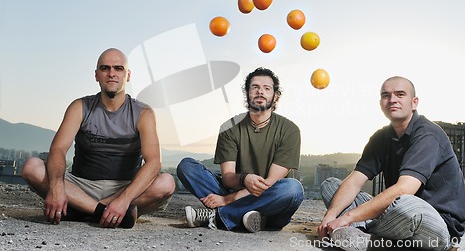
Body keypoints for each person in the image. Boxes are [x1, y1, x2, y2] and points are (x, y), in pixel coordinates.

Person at [22, 48, 176, 228]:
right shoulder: (79, 107)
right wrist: (57, 188)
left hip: (123, 187)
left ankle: (83, 210)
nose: (111, 74)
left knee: (166, 183)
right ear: (96, 75)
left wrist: (124, 199)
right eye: (105, 68)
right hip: (80, 186)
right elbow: (58, 149)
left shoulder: (143, 113)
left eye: (118, 68)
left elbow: (154, 162)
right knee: (32, 167)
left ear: (128, 75)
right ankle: (105, 213)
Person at [317, 76, 465, 251]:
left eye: (400, 94)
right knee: (332, 186)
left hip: (435, 223)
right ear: (380, 103)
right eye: (386, 95)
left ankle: (366, 235)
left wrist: (349, 217)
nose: (392, 100)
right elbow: (355, 181)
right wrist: (331, 215)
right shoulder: (381, 137)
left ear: (414, 102)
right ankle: (377, 240)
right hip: (394, 216)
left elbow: (404, 189)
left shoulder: (428, 134)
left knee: (406, 204)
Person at [176, 67, 304, 232]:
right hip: (234, 189)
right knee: (187, 166)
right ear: (247, 93)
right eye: (255, 87)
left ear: (275, 96)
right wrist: (244, 179)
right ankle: (247, 217)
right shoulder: (229, 128)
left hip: (271, 201)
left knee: (292, 189)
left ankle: (217, 216)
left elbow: (269, 183)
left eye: (267, 88)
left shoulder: (289, 130)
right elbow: (228, 178)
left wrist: (227, 200)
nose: (260, 92)